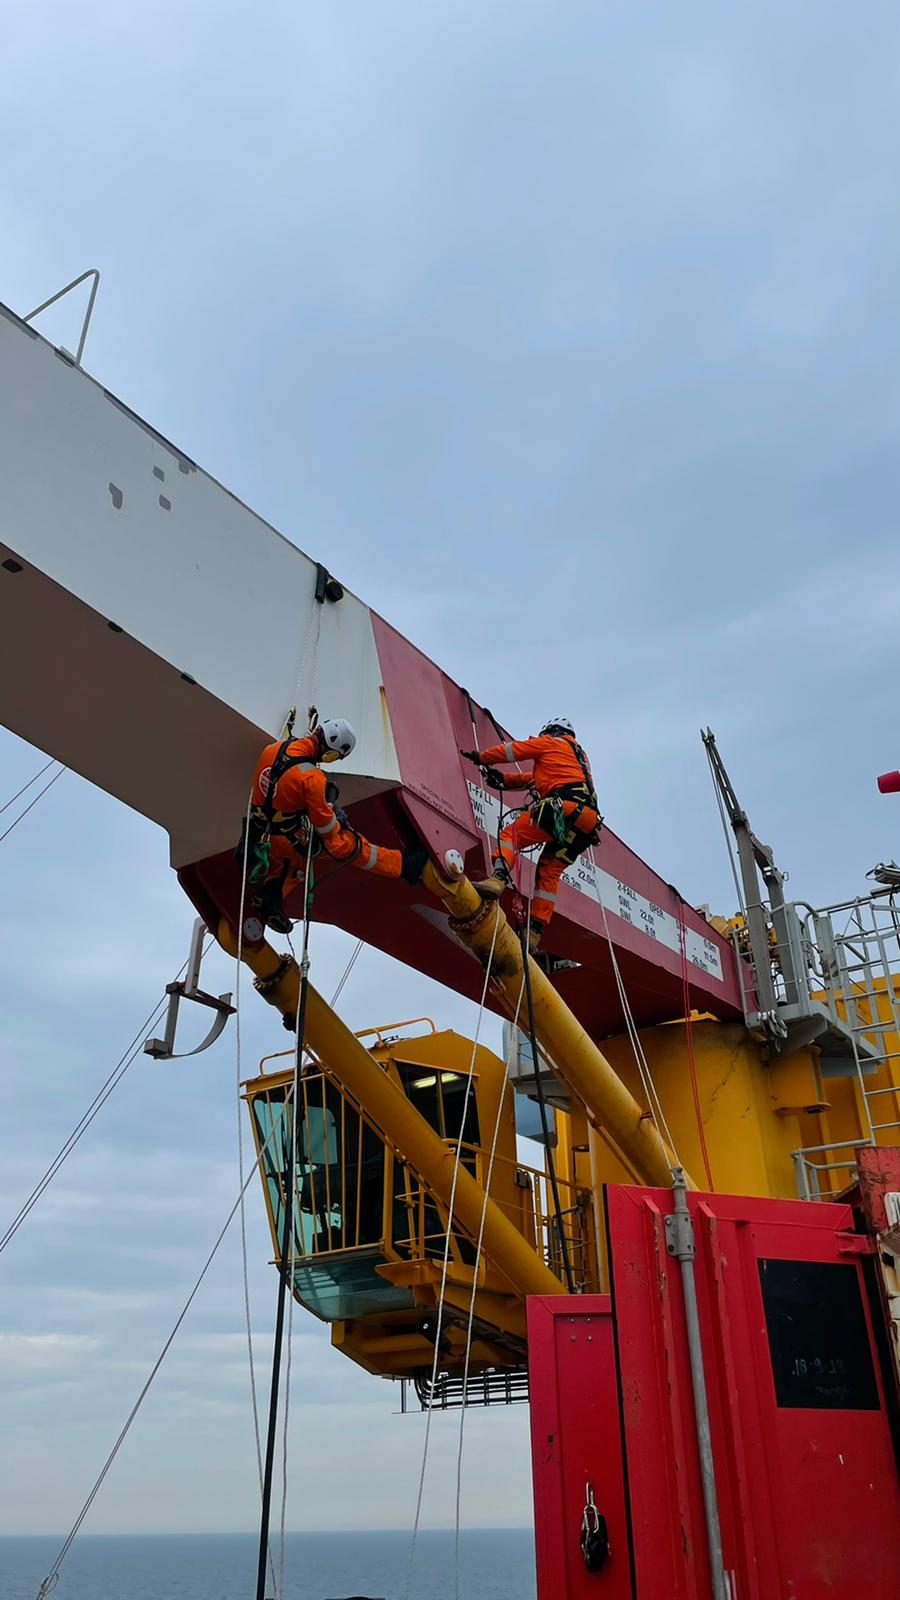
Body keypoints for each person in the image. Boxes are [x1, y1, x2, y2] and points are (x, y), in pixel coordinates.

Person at [242, 717, 426, 932]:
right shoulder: (312, 778)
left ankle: (269, 899)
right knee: (347, 846)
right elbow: (326, 829)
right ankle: (404, 867)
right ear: (331, 753)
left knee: (295, 866)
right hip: (285, 839)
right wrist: (337, 818)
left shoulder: (272, 749)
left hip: (258, 833)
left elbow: (280, 791)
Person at [460, 717, 601, 950]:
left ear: (551, 732)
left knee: (509, 836)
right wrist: (503, 780)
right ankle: (534, 932)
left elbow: (514, 750)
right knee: (549, 868)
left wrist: (481, 757)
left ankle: (498, 879)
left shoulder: (550, 743)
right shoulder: (577, 759)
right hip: (587, 822)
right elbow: (533, 779)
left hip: (561, 809)